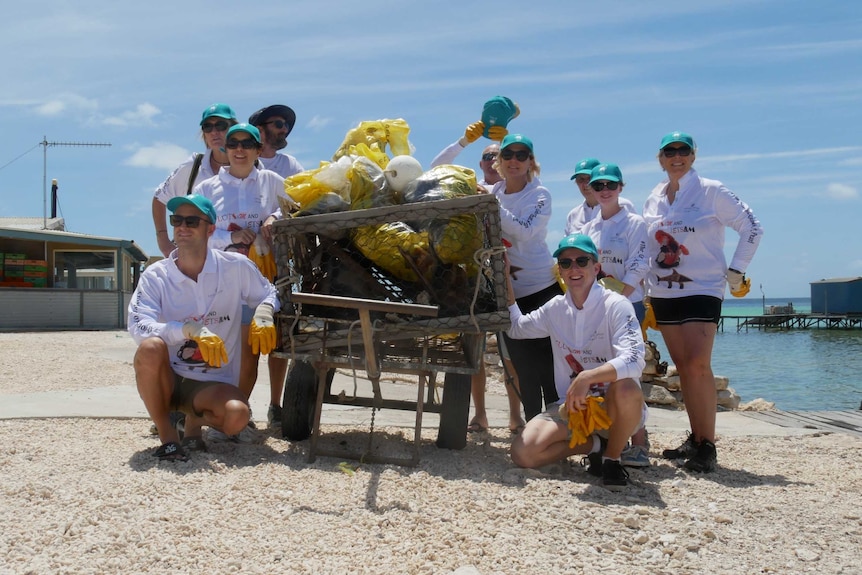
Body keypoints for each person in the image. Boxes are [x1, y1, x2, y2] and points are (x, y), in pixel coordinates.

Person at [643, 131, 763, 473]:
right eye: (670, 151)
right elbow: (647, 245)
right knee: (683, 368)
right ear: (660, 157)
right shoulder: (654, 197)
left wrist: (737, 270)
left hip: (703, 289)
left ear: (693, 156)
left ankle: (707, 446)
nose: (676, 156)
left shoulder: (712, 190)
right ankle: (694, 439)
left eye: (683, 150)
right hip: (664, 293)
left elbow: (752, 227)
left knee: (698, 365)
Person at [129, 195, 279, 460]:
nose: (182, 227)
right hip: (170, 375)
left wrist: (265, 312)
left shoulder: (236, 267)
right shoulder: (156, 275)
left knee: (237, 416)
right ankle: (169, 439)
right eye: (176, 220)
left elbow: (269, 292)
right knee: (150, 348)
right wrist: (186, 329)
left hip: (211, 382)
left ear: (210, 229)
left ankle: (193, 426)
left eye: (192, 221)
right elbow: (138, 326)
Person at [508, 234, 646, 490]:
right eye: (566, 263)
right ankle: (594, 445)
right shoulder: (555, 308)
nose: (574, 268)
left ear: (595, 268)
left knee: (627, 387)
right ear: (559, 270)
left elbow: (635, 359)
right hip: (570, 409)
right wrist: (504, 276)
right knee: (523, 454)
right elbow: (517, 328)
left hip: (613, 409)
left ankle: (612, 459)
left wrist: (587, 377)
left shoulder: (617, 305)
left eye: (582, 261)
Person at [192, 123, 298, 439]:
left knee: (248, 352)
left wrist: (274, 218)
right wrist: (230, 235)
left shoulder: (273, 181)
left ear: (257, 149)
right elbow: (195, 232)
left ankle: (237, 411)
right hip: (217, 284)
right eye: (233, 143)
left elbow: (295, 209)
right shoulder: (207, 190)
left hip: (260, 284)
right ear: (225, 148)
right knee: (215, 352)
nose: (240, 149)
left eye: (247, 144)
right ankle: (207, 413)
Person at [430, 123, 526, 435]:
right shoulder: (470, 185)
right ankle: (480, 415)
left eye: (495, 156)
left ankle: (516, 416)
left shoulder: (510, 190)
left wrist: (502, 138)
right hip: (475, 280)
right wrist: (464, 141)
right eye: (485, 157)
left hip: (512, 281)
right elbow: (436, 169)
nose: (489, 160)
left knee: (511, 353)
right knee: (474, 350)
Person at [581, 163, 651, 467]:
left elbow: (641, 263)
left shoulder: (636, 223)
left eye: (611, 184)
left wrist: (619, 297)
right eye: (598, 186)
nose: (605, 190)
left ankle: (640, 443)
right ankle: (612, 439)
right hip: (596, 309)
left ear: (621, 187)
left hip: (629, 306)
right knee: (603, 372)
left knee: (630, 371)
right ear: (592, 191)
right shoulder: (588, 228)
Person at [492, 134, 562, 421]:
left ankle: (559, 428)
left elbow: (522, 231)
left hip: (542, 288)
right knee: (522, 366)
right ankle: (533, 426)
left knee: (550, 364)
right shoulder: (494, 191)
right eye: (508, 154)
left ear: (531, 162)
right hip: (509, 292)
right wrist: (462, 142)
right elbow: (439, 165)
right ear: (499, 160)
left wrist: (489, 204)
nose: (515, 161)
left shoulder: (539, 195)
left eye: (522, 155)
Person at [247, 104, 305, 428]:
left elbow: (299, 202)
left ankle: (275, 404)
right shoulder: (242, 163)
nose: (284, 130)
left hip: (280, 261)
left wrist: (276, 216)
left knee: (278, 335)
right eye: (279, 124)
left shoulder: (289, 165)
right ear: (262, 128)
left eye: (286, 125)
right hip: (243, 259)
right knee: (243, 336)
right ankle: (238, 404)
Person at [152, 103, 238, 258]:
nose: (214, 132)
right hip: (197, 261)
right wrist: (163, 242)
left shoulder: (252, 166)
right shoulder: (192, 166)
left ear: (233, 129)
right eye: (207, 127)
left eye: (221, 125)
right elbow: (159, 198)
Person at [564, 158, 634, 235]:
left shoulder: (624, 205)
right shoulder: (573, 215)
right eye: (581, 179)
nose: (586, 184)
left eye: (589, 178)